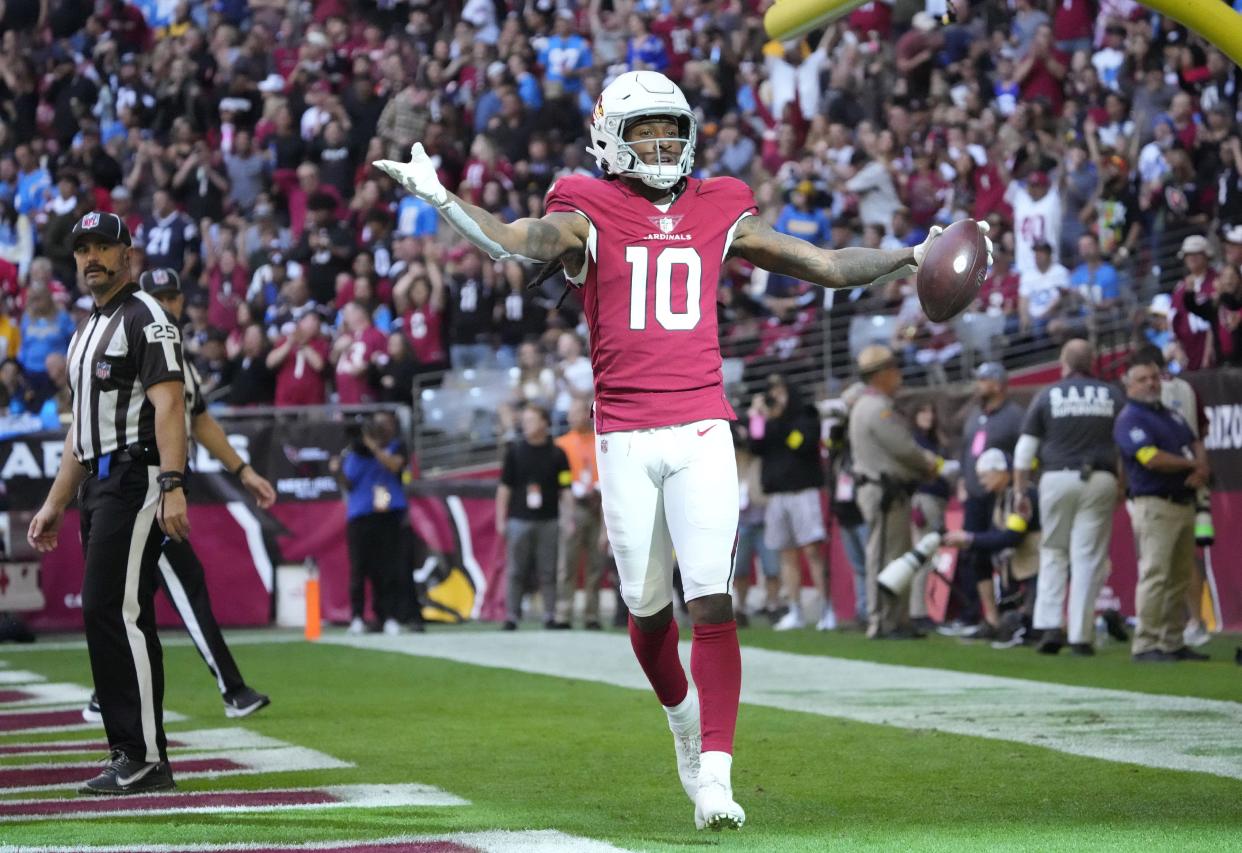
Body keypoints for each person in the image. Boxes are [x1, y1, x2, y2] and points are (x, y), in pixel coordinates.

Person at [374, 69, 990, 830]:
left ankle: (717, 776)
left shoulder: (720, 201)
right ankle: (680, 722)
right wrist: (443, 200)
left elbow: (824, 263)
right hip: (625, 434)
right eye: (645, 131)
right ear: (609, 138)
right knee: (644, 608)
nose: (663, 143)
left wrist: (905, 255)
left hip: (701, 425)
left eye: (671, 127)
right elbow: (509, 243)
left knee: (713, 597)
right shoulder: (583, 202)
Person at [27, 211, 190, 795]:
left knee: (115, 609)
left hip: (135, 475)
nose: (91, 257)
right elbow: (79, 432)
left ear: (128, 253)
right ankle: (129, 749)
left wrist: (173, 482)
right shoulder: (85, 328)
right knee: (107, 612)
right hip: (97, 482)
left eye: (103, 246)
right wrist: (54, 502)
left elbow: (171, 405)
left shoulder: (146, 316)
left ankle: (146, 754)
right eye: (82, 249)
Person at [82, 268, 275, 723]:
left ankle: (103, 694)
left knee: (131, 598)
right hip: (140, 487)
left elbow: (198, 418)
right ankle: (232, 688)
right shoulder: (135, 344)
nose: (167, 306)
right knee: (179, 587)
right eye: (159, 297)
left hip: (153, 486)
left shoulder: (178, 357)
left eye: (173, 297)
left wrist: (243, 470)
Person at [1014, 339, 1120, 655]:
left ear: (1065, 363)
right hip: (1100, 477)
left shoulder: (1048, 394)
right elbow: (1124, 446)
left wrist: (1020, 490)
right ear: (1091, 363)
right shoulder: (1112, 394)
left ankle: (1048, 627)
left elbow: (1024, 451)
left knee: (1053, 551)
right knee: (1088, 558)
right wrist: (1123, 486)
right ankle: (1080, 636)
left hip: (1057, 477)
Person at [849, 345, 951, 640]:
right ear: (881, 375)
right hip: (885, 492)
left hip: (886, 490)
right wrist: (928, 463)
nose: (898, 374)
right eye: (893, 368)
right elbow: (903, 447)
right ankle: (883, 621)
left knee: (894, 555)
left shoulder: (868, 404)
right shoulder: (877, 407)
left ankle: (895, 619)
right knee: (886, 556)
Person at [1114, 350, 1210, 663]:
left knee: (1180, 575)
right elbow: (1150, 458)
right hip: (1155, 503)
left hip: (1183, 501)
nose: (1151, 383)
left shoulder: (1170, 413)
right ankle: (1145, 643)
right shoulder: (1130, 418)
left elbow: (1194, 439)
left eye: (1154, 377)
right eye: (1143, 379)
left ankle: (1171, 640)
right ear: (1129, 385)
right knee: (1156, 573)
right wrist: (1191, 465)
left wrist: (1200, 466)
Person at [748, 374, 834, 632]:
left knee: (812, 552)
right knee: (786, 554)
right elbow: (756, 446)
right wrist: (757, 418)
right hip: (777, 495)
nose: (776, 398)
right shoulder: (769, 422)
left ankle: (827, 609)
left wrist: (778, 418)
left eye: (780, 392)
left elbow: (800, 444)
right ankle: (795, 610)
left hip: (802, 492)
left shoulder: (804, 416)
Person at [955, 362, 1025, 634]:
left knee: (1007, 551)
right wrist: (962, 479)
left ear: (997, 384)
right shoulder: (975, 414)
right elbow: (965, 451)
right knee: (975, 553)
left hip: (1002, 496)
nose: (978, 385)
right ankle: (989, 616)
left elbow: (1025, 452)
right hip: (974, 493)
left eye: (983, 380)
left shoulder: (1015, 415)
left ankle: (1012, 613)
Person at [943, 449, 1040, 645]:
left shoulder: (1024, 494)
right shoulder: (1002, 496)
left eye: (985, 476)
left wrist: (970, 538)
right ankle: (992, 618)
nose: (982, 482)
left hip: (1035, 564)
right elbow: (997, 534)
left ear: (1002, 472)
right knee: (978, 556)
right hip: (1016, 563)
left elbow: (1012, 537)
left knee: (1026, 627)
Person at [330, 411, 411, 636]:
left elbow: (395, 466)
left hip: (387, 515)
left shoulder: (395, 447)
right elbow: (347, 483)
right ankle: (357, 616)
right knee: (359, 569)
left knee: (388, 568)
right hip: (360, 516)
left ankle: (389, 616)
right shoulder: (352, 453)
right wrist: (336, 472)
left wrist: (374, 447)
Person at [496, 403, 572, 631]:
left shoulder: (558, 454)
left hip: (549, 519)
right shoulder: (515, 452)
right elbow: (504, 488)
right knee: (516, 570)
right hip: (519, 519)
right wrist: (501, 519)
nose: (526, 425)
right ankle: (511, 615)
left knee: (548, 570)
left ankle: (549, 614)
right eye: (525, 420)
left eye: (531, 420)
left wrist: (569, 518)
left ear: (544, 423)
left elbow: (566, 488)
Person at [553, 396, 605, 629]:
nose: (576, 416)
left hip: (598, 506)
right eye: (572, 412)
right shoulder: (561, 444)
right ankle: (563, 612)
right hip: (572, 506)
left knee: (596, 563)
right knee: (568, 563)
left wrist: (597, 489)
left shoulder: (599, 441)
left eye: (580, 411)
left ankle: (591, 615)